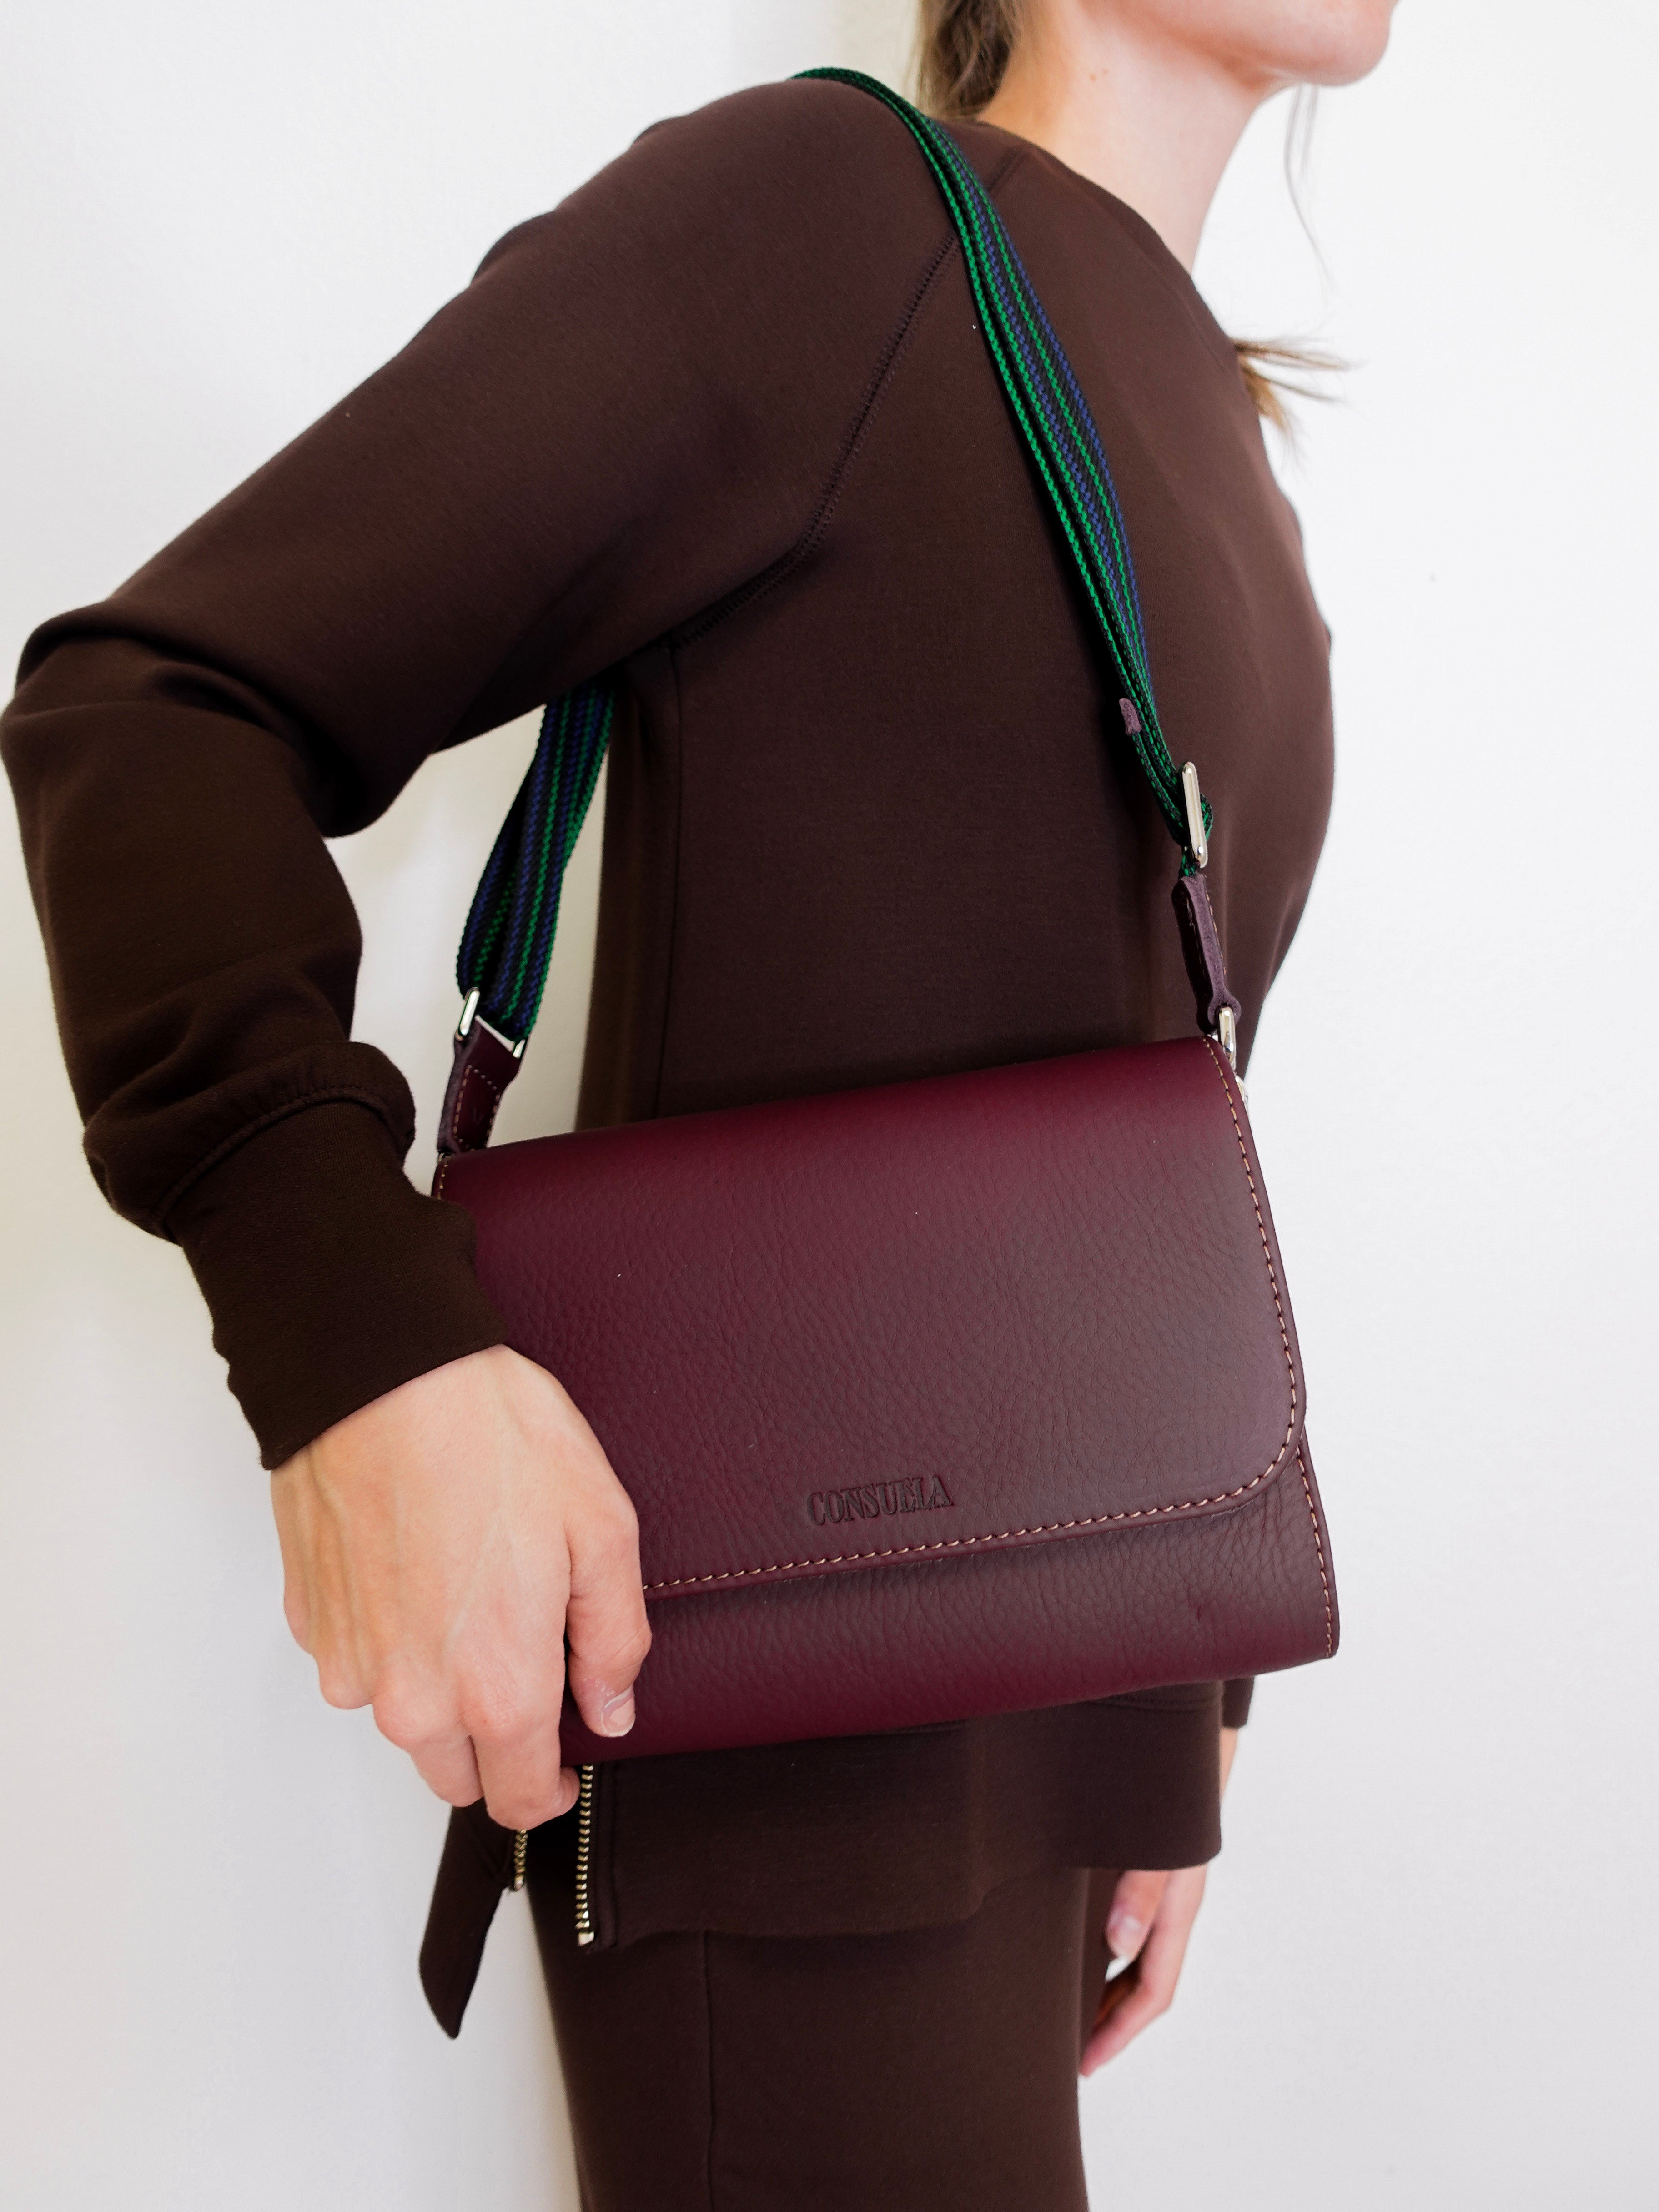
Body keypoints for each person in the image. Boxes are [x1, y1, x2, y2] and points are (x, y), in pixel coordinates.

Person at [1, 0, 1392, 2203]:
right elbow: (156, 708)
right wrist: (362, 1346)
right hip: (792, 1789)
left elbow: (1136, 1124)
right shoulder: (832, 228)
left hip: (1046, 1773)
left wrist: (1179, 1713)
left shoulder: (1211, 435)